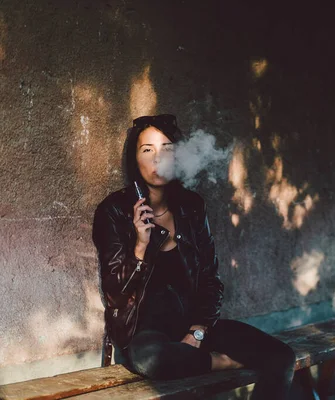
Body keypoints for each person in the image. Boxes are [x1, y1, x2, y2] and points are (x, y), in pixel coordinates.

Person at [92, 114, 296, 399]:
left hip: (196, 327)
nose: (157, 157)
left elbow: (211, 280)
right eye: (147, 149)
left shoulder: (191, 207)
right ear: (134, 159)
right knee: (151, 359)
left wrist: (197, 332)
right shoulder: (114, 211)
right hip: (145, 335)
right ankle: (218, 363)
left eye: (167, 148)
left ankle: (201, 356)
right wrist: (140, 244)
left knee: (282, 356)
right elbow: (115, 291)